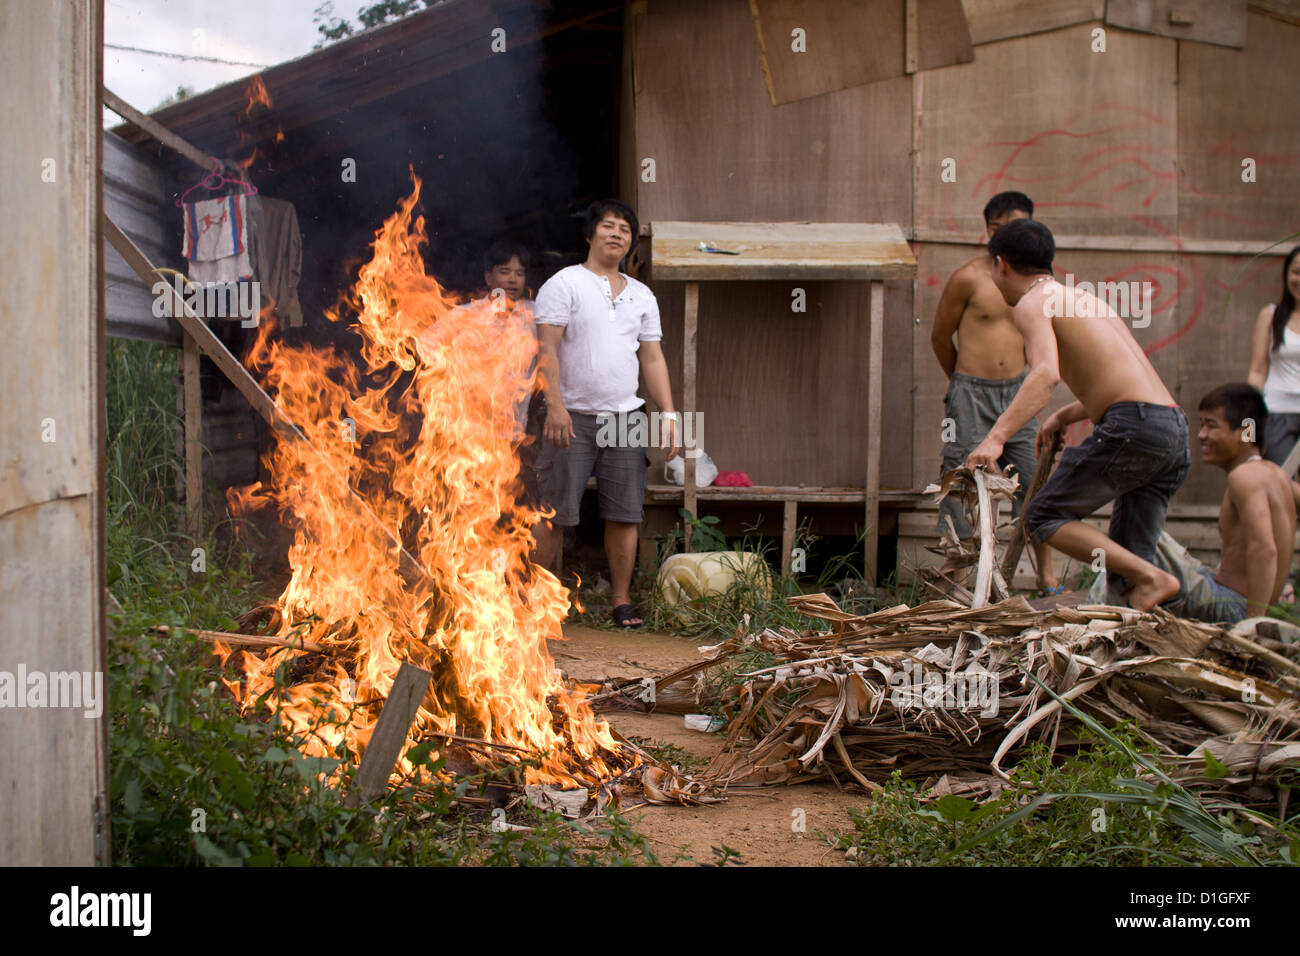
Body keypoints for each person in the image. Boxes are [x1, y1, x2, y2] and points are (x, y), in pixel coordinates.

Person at [963, 219, 1188, 611]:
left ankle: (1155, 579)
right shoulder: (1085, 299)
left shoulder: (1033, 302)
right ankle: (1139, 621)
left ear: (1000, 265)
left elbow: (1045, 374)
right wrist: (1065, 415)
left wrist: (995, 438)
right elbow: (1123, 379)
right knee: (1129, 569)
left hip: (1134, 429)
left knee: (1044, 515)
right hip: (1169, 428)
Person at [532, 199, 679, 628]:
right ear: (590, 233)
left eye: (625, 231)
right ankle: (536, 601)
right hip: (570, 414)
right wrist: (554, 406)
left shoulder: (641, 295)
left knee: (625, 512)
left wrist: (668, 414)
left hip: (625, 418)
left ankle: (620, 599)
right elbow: (547, 350)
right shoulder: (565, 283)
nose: (617, 234)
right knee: (554, 511)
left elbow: (652, 358)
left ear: (631, 244)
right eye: (608, 226)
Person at [931, 191, 1057, 590]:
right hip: (969, 392)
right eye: (995, 228)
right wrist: (961, 384)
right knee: (962, 477)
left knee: (1033, 480)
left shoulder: (1042, 285)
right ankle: (957, 579)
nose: (1001, 235)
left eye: (1013, 227)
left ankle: (1045, 576)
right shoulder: (969, 277)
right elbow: (939, 336)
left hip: (1018, 392)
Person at [1089, 384, 1296, 622]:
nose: (1201, 435)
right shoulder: (1276, 476)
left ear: (1246, 430)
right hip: (1234, 598)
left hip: (1233, 609)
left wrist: (1253, 625)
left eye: (1211, 425)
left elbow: (1265, 550)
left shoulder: (1245, 477)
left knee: (1131, 539)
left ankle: (1102, 620)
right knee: (1144, 543)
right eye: (1202, 425)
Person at [1247, 245, 1300, 472]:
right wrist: (1249, 415)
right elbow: (1258, 370)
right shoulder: (1270, 315)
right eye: (1297, 271)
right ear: (1287, 275)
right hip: (1276, 412)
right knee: (1278, 482)